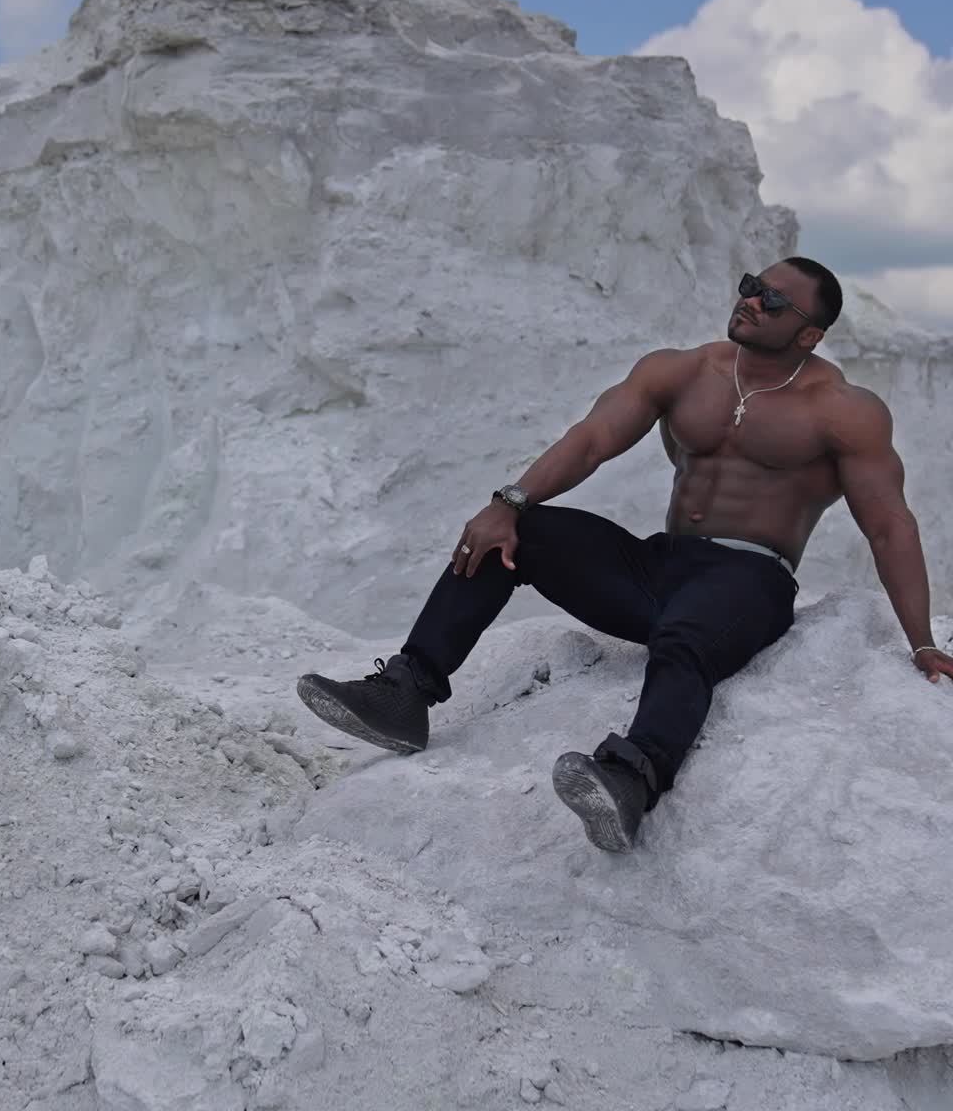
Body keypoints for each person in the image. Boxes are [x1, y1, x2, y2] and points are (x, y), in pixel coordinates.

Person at [296, 257, 953, 852]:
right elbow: (592, 440)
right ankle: (406, 693)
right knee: (520, 534)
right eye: (751, 286)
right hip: (660, 565)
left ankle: (632, 778)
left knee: (687, 636)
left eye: (773, 301)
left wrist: (921, 642)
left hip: (751, 577)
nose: (751, 301)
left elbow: (888, 526)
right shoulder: (681, 371)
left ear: (809, 334)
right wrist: (509, 502)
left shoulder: (844, 411)